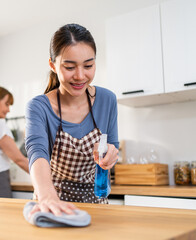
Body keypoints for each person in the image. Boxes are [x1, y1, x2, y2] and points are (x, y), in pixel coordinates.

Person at [25, 24, 119, 216]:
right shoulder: (39, 107)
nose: (80, 76)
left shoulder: (107, 99)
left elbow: (112, 146)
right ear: (52, 65)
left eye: (88, 66)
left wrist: (110, 154)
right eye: (69, 67)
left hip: (96, 203)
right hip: (54, 203)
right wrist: (47, 196)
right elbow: (37, 152)